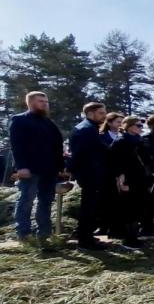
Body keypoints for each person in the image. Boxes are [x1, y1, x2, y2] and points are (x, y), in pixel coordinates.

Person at [8, 91, 64, 246]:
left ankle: (44, 234)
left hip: (49, 170)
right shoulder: (19, 120)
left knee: (45, 202)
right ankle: (24, 234)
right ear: (30, 102)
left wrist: (61, 167)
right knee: (26, 200)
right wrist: (21, 167)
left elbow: (57, 146)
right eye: (41, 101)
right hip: (30, 169)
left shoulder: (48, 123)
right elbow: (16, 145)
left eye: (46, 101)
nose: (45, 104)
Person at [68, 102, 109, 250]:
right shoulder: (87, 130)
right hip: (90, 173)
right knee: (89, 207)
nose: (104, 116)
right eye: (101, 113)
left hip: (89, 172)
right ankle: (85, 241)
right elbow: (82, 153)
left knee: (90, 206)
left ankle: (86, 236)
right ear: (91, 113)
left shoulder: (86, 128)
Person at [109, 116, 149, 248]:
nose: (141, 128)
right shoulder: (122, 140)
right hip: (128, 179)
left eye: (141, 126)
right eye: (138, 125)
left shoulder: (138, 140)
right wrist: (121, 179)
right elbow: (116, 162)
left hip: (139, 178)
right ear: (129, 126)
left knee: (137, 207)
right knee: (130, 209)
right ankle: (130, 238)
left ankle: (134, 236)